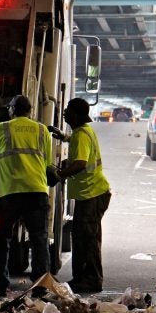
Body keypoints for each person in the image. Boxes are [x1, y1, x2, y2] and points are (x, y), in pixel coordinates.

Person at [0, 95, 54, 297]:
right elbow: (48, 163)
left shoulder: (3, 128)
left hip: (11, 193)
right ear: (30, 111)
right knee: (39, 240)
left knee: (1, 239)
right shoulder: (42, 131)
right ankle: (40, 286)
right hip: (37, 191)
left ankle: (0, 284)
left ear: (11, 110)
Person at [53, 98, 111, 294]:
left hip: (91, 194)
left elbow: (80, 163)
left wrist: (60, 175)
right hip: (92, 193)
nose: (64, 113)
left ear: (75, 115)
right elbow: (78, 145)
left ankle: (91, 280)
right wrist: (63, 136)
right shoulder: (83, 132)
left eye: (68, 110)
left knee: (87, 239)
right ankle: (81, 278)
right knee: (84, 237)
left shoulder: (81, 136)